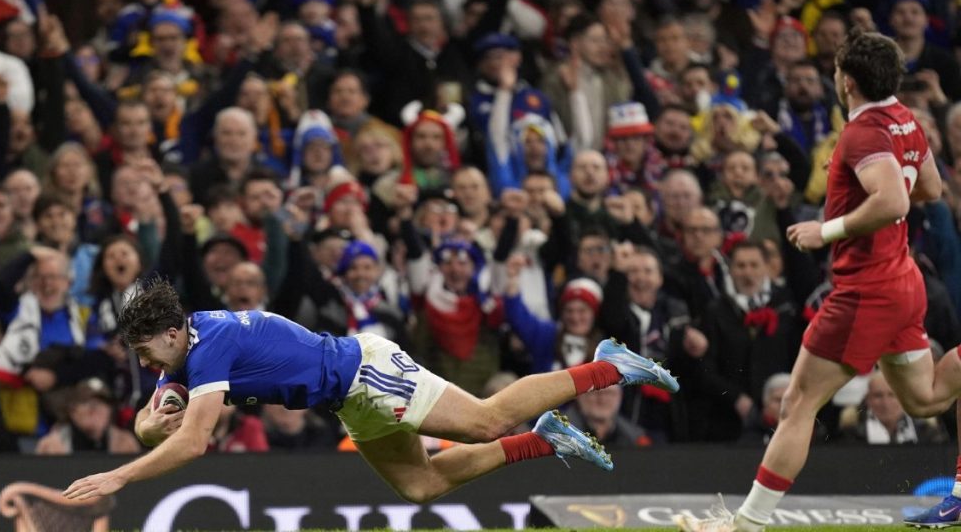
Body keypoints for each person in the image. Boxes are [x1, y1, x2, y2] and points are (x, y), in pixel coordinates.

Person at [675, 29, 961, 532]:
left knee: (798, 403)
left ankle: (745, 526)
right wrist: (874, 193)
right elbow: (931, 188)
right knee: (928, 398)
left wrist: (826, 228)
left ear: (846, 81)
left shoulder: (863, 132)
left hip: (866, 291)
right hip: (901, 282)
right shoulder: (906, 121)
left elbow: (895, 200)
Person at [63, 278, 679, 503]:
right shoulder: (186, 354)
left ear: (172, 332)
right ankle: (545, 441)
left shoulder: (211, 347)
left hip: (365, 372)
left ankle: (607, 365)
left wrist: (119, 476)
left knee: (487, 420)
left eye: (147, 354)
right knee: (421, 486)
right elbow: (154, 429)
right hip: (347, 398)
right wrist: (153, 416)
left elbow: (195, 443)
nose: (147, 367)